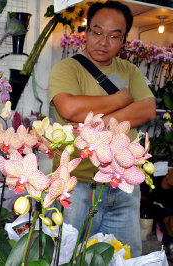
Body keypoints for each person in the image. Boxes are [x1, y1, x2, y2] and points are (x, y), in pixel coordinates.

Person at [48, 1, 156, 257]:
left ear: (124, 40)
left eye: (113, 35)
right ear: (85, 32)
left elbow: (147, 110)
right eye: (97, 32)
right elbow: (69, 109)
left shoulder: (129, 70)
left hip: (124, 184)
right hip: (77, 185)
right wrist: (121, 99)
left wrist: (98, 123)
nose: (103, 41)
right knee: (70, 259)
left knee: (125, 258)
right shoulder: (67, 68)